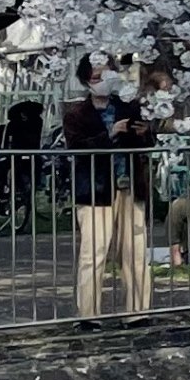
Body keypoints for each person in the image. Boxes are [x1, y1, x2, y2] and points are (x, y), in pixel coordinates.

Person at [58, 60, 158, 319]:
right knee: (94, 253)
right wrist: (110, 133)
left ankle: (138, 312)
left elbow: (147, 142)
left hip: (130, 186)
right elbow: (78, 149)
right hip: (95, 190)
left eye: (104, 75)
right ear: (85, 81)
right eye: (94, 78)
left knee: (135, 252)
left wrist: (145, 132)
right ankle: (88, 315)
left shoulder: (128, 106)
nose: (101, 81)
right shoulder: (77, 114)